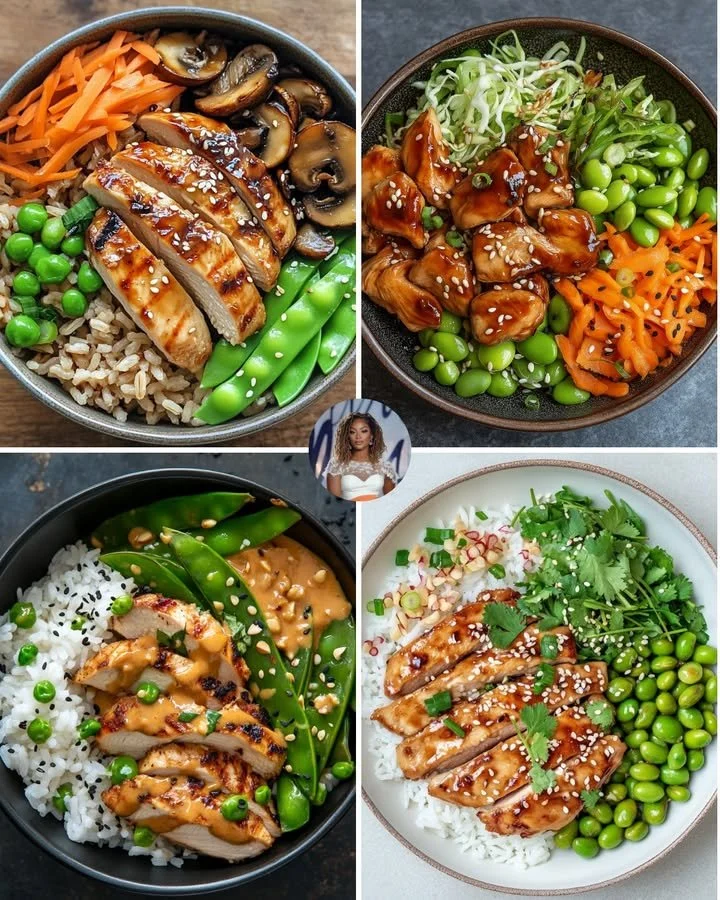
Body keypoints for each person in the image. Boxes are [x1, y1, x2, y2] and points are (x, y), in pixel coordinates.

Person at [325, 413, 397, 501]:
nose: (358, 437)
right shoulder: (336, 465)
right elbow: (334, 503)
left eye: (364, 431)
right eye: (352, 432)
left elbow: (391, 502)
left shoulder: (385, 467)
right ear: (347, 437)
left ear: (371, 436)